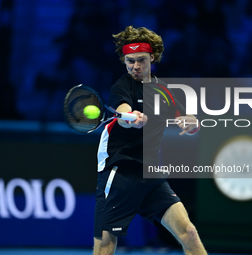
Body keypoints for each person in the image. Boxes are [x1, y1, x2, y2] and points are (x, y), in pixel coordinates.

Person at [94, 26, 207, 255]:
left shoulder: (164, 91)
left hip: (151, 175)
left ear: (152, 58)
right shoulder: (122, 86)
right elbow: (123, 111)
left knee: (189, 233)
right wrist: (131, 118)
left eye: (141, 60)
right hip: (120, 172)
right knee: (105, 244)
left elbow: (187, 120)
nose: (135, 66)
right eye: (130, 61)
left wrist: (193, 123)